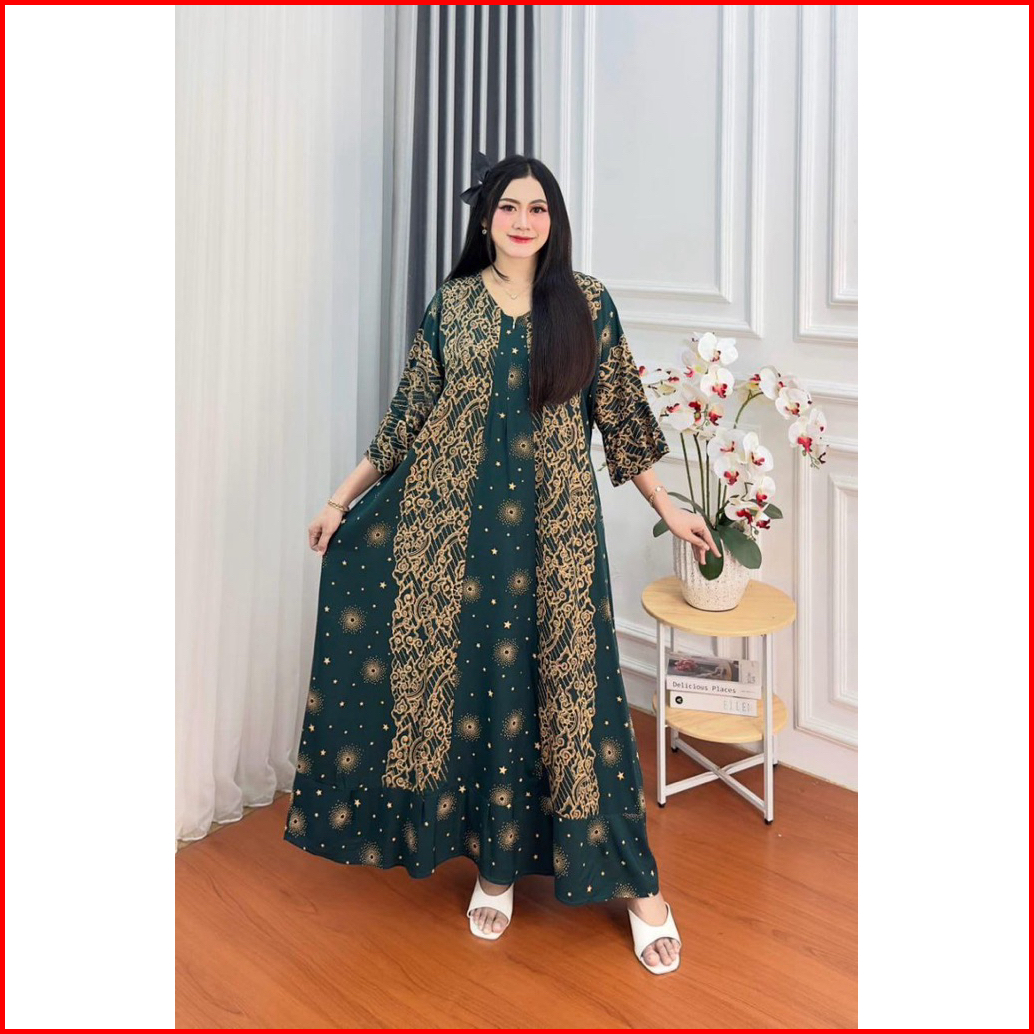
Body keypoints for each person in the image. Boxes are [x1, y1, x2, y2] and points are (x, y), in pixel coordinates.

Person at [283, 151, 720, 976]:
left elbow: (621, 415)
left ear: (554, 221)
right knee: (486, 693)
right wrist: (340, 500)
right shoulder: (452, 306)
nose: (524, 221)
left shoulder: (586, 303)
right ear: (485, 218)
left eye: (538, 208)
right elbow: (409, 416)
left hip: (558, 534)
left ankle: (640, 888)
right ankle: (496, 867)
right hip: (458, 533)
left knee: (577, 697)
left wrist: (670, 507)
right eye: (510, 207)